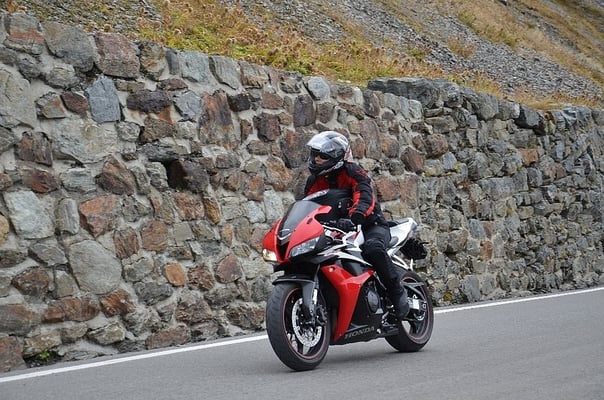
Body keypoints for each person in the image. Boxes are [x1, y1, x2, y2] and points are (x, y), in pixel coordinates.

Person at [303, 130, 410, 319]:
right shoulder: (314, 181)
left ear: (336, 157)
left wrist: (355, 216)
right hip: (335, 230)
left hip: (369, 225)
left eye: (322, 156)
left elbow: (364, 195)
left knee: (373, 248)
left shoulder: (353, 172)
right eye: (315, 154)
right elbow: (307, 207)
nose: (316, 159)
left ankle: (397, 292)